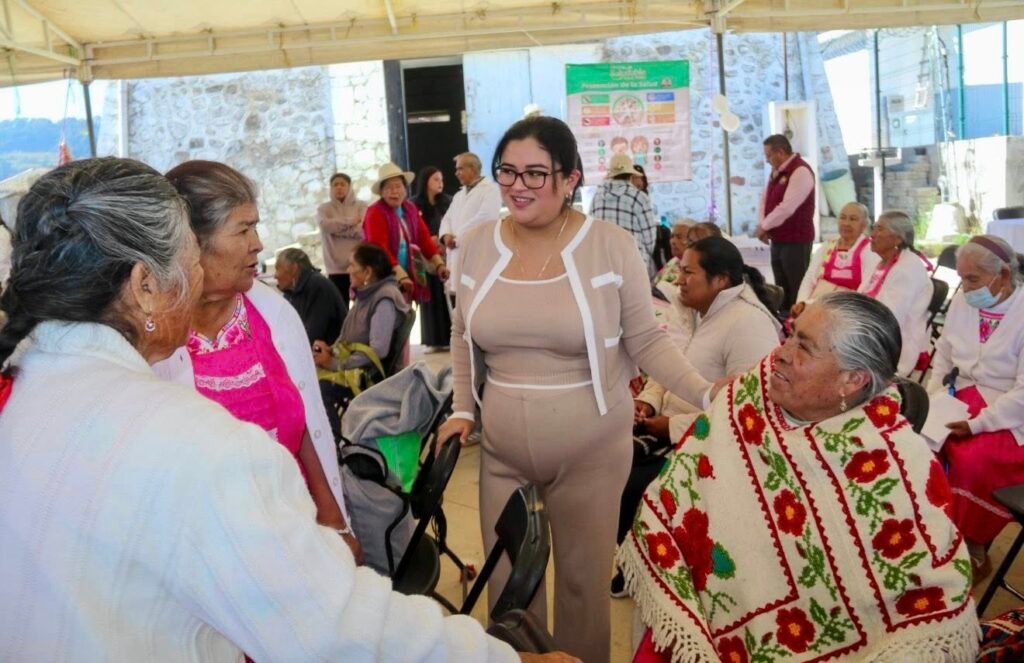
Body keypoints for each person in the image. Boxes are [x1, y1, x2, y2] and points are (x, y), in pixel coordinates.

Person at [0, 157, 576, 663]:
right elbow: (330, 632)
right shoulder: (197, 447)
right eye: (187, 259)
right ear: (145, 286)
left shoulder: (24, 400)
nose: (199, 273)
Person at [437, 116, 724, 663]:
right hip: (501, 451)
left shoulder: (610, 247)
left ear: (570, 179)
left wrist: (707, 393)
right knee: (507, 591)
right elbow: (459, 332)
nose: (518, 185)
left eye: (536, 174)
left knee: (581, 588)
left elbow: (646, 339)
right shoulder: (475, 245)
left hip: (592, 448)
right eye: (508, 172)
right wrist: (462, 409)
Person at [621, 291, 979, 662]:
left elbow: (924, 590)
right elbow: (687, 481)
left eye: (804, 348)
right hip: (695, 600)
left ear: (852, 380)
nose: (781, 352)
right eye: (790, 335)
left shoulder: (895, 466)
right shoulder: (749, 395)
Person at [155, 160, 360, 562]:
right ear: (192, 242)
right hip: (209, 553)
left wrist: (335, 521)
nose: (259, 244)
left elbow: (304, 426)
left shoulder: (273, 315)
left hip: (294, 529)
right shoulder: (156, 339)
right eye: (244, 229)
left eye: (256, 226)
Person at [612, 236, 782, 597]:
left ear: (720, 280)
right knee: (602, 464)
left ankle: (651, 567)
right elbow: (670, 368)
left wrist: (671, 428)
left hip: (711, 446)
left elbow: (748, 409)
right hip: (668, 431)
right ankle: (637, 558)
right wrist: (649, 403)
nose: (678, 280)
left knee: (626, 484)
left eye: (688, 272)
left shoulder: (747, 324)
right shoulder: (697, 313)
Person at [928, 235, 1024, 578]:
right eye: (963, 278)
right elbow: (943, 357)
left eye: (973, 279)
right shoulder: (963, 302)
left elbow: (1023, 392)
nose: (966, 288)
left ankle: (972, 544)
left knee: (969, 458)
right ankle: (933, 534)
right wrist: (934, 400)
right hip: (962, 395)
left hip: (1010, 413)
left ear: (1003, 274)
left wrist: (979, 424)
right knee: (920, 442)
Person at [314, 242, 412, 439]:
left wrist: (334, 363)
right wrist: (330, 350)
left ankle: (335, 449)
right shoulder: (368, 295)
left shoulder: (384, 299)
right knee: (306, 379)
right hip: (355, 367)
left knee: (318, 390)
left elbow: (378, 351)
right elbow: (348, 338)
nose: (348, 270)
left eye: (352, 265)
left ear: (368, 272)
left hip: (370, 376)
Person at [858, 210, 932, 376]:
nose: (873, 235)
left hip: (892, 339)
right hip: (871, 327)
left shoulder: (907, 268)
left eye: (880, 230)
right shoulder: (880, 262)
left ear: (898, 238)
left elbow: (891, 318)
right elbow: (862, 297)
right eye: (874, 228)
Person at [363, 162, 449, 302]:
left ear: (405, 189)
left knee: (405, 315)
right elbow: (379, 249)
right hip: (384, 278)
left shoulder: (410, 208)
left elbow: (424, 237)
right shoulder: (375, 212)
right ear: (382, 192)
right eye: (389, 187)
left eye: (398, 186)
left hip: (409, 275)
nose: (394, 191)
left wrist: (439, 264)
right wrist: (400, 275)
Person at [756, 134, 817, 311]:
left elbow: (788, 207)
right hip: (778, 238)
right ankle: (783, 318)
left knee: (796, 285)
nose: (767, 160)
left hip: (796, 239)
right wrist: (763, 224)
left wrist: (765, 226)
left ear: (781, 152)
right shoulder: (776, 171)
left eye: (768, 156)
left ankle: (798, 319)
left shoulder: (800, 171)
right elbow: (765, 199)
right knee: (781, 285)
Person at [791, 201, 879, 316]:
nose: (846, 223)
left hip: (847, 310)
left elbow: (867, 287)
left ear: (864, 225)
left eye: (853, 219)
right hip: (816, 304)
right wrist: (801, 303)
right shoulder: (827, 246)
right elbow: (809, 278)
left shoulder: (870, 250)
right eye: (842, 218)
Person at [438, 152, 503, 301]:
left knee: (478, 301)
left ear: (473, 168)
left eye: (460, 168)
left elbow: (485, 218)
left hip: (476, 254)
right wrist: (446, 236)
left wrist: (458, 238)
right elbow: (446, 219)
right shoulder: (458, 196)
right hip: (456, 255)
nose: (456, 173)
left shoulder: (491, 190)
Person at [589, 152, 658, 276]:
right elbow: (650, 238)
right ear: (630, 175)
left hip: (604, 264)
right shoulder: (639, 197)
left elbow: (591, 230)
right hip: (634, 263)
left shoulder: (597, 197)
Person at [411, 165, 453, 351]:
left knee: (447, 295)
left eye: (441, 180)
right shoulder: (414, 205)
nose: (440, 183)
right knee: (430, 296)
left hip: (445, 254)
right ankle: (433, 339)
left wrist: (442, 239)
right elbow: (413, 230)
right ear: (426, 181)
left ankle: (451, 337)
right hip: (423, 257)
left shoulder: (448, 202)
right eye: (436, 179)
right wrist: (428, 240)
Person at [274, 247, 347, 344]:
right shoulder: (291, 292)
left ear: (294, 268)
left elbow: (313, 334)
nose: (275, 275)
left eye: (278, 269)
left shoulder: (317, 286)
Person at [316, 172, 367, 307]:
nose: (339, 187)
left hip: (358, 266)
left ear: (349, 187)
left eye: (342, 184)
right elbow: (325, 226)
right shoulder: (323, 209)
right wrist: (351, 221)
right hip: (335, 268)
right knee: (339, 309)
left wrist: (337, 229)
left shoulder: (362, 206)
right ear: (331, 188)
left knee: (363, 308)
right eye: (335, 185)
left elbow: (362, 230)